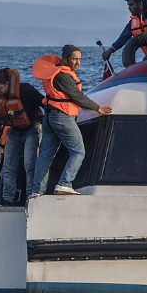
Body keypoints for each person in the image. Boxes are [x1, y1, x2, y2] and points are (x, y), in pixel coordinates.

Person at [29, 45, 114, 197]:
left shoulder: (54, 73)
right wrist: (97, 108)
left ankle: (37, 192)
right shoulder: (64, 76)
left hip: (49, 116)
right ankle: (64, 184)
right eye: (74, 59)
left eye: (80, 59)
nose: (77, 62)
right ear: (65, 58)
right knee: (78, 151)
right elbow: (77, 96)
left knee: (45, 156)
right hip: (62, 117)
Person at [0, 68, 45, 206]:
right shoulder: (0, 98)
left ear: (8, 84)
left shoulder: (26, 90)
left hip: (32, 129)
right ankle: (7, 199)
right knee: (8, 166)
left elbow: (44, 103)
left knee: (30, 165)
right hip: (14, 131)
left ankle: (31, 199)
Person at [101, 0, 147, 64]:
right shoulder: (132, 23)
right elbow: (123, 38)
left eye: (131, 5)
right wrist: (110, 50)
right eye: (128, 5)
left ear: (140, 4)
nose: (129, 8)